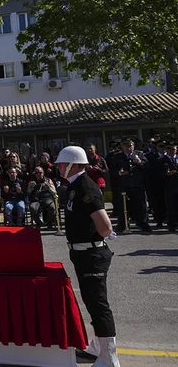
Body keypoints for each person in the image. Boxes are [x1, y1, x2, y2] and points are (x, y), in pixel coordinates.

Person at [55, 146, 120, 367]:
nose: (59, 167)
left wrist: (100, 235)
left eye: (62, 164)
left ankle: (109, 358)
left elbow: (104, 226)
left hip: (92, 253)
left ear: (74, 164)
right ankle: (97, 347)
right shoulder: (74, 186)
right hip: (83, 253)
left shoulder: (85, 188)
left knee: (98, 304)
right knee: (92, 302)